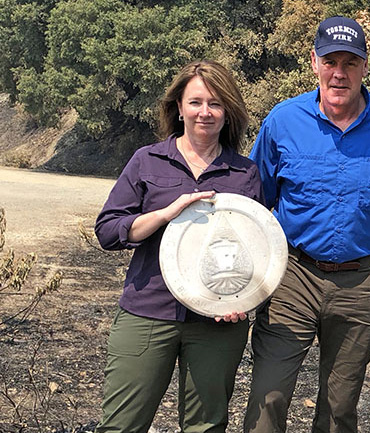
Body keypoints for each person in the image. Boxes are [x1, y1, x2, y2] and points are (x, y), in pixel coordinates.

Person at [244, 16, 370, 433]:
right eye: (331, 61)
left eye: (350, 62)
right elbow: (253, 196)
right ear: (315, 63)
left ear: (364, 66)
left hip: (360, 284)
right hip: (291, 277)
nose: (340, 73)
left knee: (339, 409)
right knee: (269, 397)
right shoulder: (283, 122)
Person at [94, 60, 264, 433]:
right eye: (196, 102)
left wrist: (242, 301)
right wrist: (163, 215)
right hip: (148, 310)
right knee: (121, 426)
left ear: (228, 111)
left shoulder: (245, 173)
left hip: (216, 324)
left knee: (206, 427)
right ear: (178, 107)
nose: (205, 112)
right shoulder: (148, 160)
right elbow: (108, 231)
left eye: (216, 103)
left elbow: (257, 252)